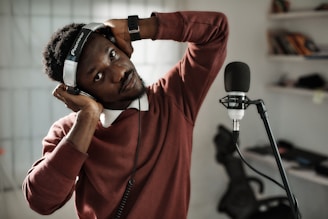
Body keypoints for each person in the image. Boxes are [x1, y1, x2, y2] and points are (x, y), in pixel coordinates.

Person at [22, 10, 228, 219]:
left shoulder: (173, 98)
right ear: (82, 93)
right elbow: (41, 201)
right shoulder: (68, 131)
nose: (119, 72)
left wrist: (136, 28)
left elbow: (216, 31)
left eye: (112, 55)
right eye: (98, 76)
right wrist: (89, 117)